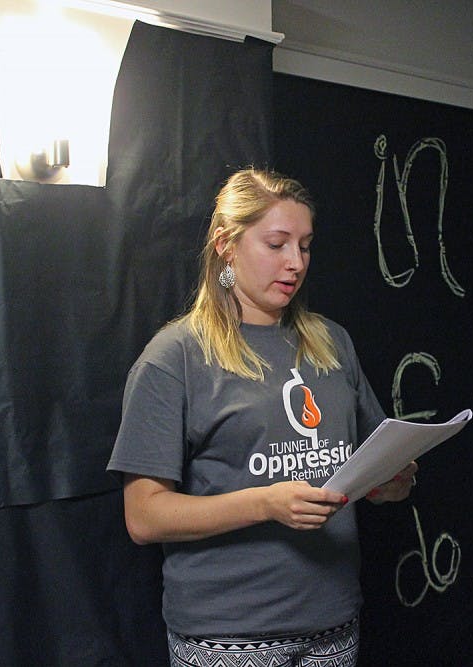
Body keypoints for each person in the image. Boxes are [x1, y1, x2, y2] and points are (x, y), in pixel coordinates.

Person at [107, 168, 417, 667]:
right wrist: (266, 504)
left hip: (332, 620)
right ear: (227, 246)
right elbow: (143, 516)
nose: (296, 263)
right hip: (229, 636)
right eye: (277, 244)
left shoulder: (333, 342)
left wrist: (389, 480)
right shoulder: (175, 358)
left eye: (306, 245)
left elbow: (369, 466)